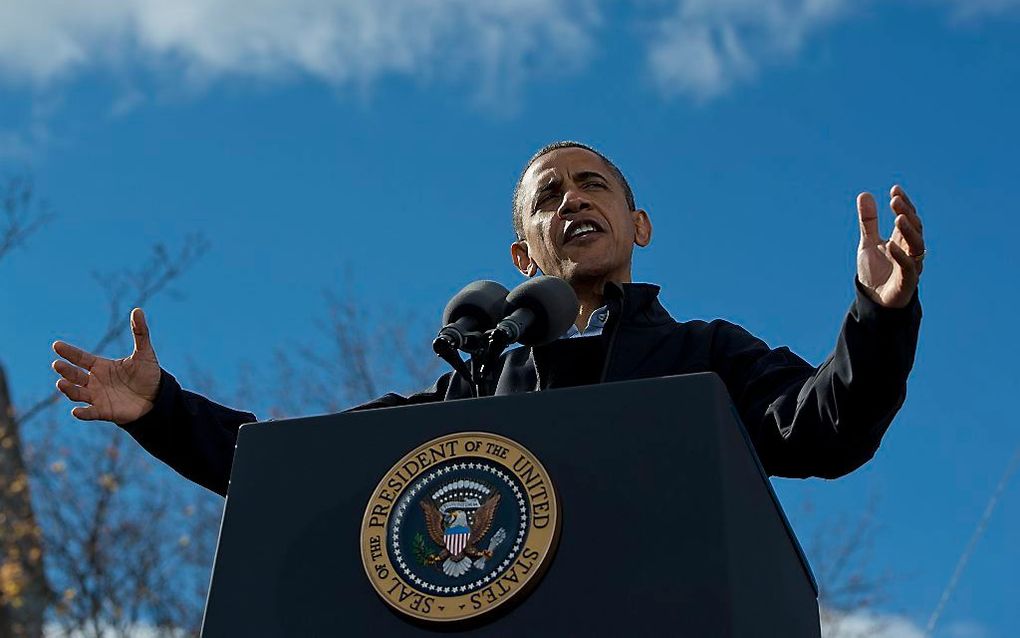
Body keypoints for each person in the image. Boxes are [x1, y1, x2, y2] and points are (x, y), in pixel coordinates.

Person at [51, 141, 924, 496]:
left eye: (594, 187)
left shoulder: (705, 357)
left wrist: (878, 316)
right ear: (523, 256)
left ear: (638, 225)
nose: (573, 201)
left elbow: (827, 431)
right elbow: (294, 468)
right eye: (549, 197)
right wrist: (162, 411)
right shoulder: (472, 390)